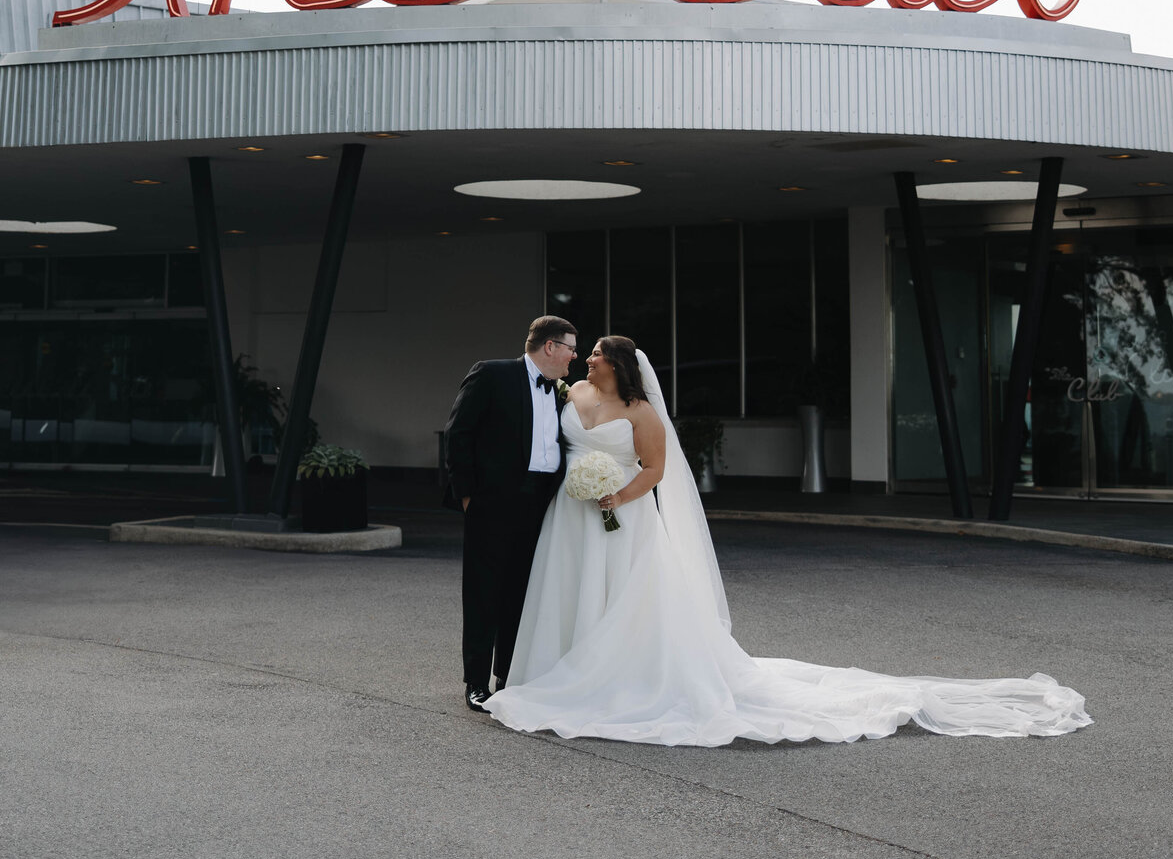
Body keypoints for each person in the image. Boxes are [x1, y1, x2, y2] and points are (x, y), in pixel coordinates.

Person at [485, 337, 1092, 746]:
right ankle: (553, 667)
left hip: (622, 516)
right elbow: (561, 438)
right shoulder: (575, 395)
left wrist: (616, 496)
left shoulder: (643, 413)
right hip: (572, 519)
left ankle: (613, 678)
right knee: (569, 590)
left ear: (616, 365)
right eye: (584, 354)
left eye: (594, 355)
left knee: (624, 600)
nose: (586, 360)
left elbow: (655, 470)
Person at [442, 315, 577, 712]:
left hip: (540, 505)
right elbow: (459, 433)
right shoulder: (492, 374)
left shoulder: (560, 391)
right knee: (484, 592)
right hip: (492, 503)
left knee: (522, 592)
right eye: (570, 347)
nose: (574, 356)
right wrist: (467, 495)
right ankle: (476, 682)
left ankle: (508, 675)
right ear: (550, 347)